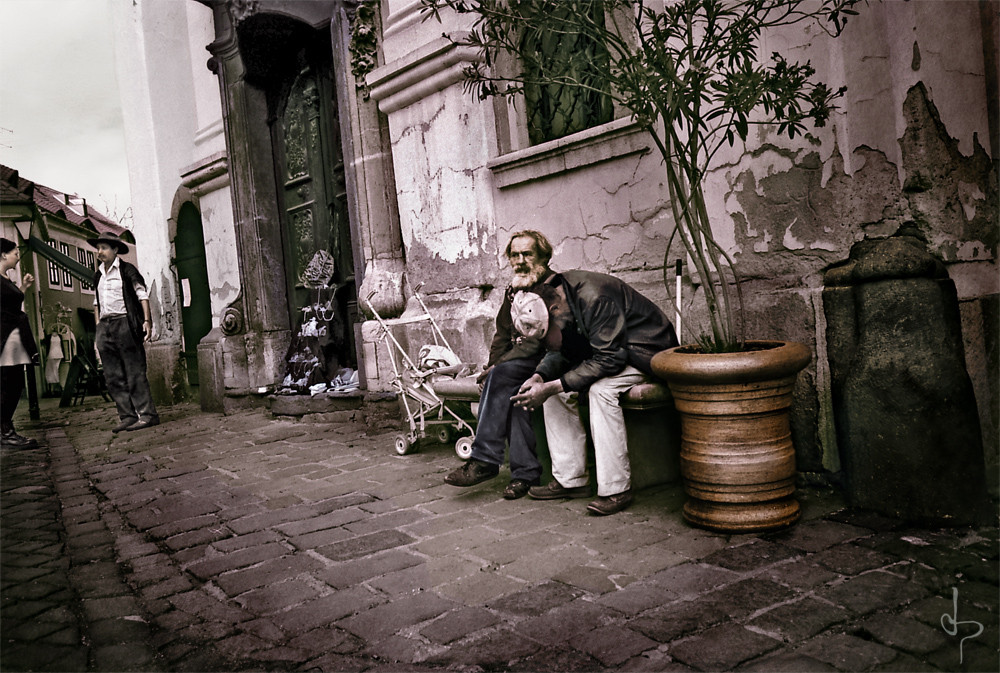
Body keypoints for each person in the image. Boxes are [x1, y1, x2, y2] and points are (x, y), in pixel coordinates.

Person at [511, 270, 678, 515]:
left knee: (601, 391)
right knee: (553, 392)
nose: (546, 342)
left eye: (547, 334)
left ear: (555, 310)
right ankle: (571, 480)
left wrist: (553, 385)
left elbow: (610, 358)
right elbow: (561, 349)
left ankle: (616, 489)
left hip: (646, 352)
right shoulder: (553, 300)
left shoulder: (594, 297)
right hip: (610, 352)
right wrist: (540, 378)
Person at [444, 230, 555, 499]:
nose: (520, 260)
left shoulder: (553, 289)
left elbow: (541, 343)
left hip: (549, 361)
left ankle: (484, 459)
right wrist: (489, 368)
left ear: (542, 256)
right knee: (516, 399)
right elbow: (502, 335)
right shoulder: (514, 290)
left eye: (527, 254)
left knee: (503, 374)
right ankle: (526, 475)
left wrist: (498, 368)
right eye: (515, 255)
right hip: (518, 364)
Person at [89, 232, 160, 433]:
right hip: (105, 326)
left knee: (134, 371)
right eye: (98, 248)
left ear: (115, 250)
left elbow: (142, 295)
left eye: (104, 248)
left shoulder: (127, 270)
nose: (100, 252)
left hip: (125, 324)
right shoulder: (98, 275)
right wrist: (98, 327)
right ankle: (127, 416)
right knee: (112, 376)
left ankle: (147, 415)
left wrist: (147, 321)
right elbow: (96, 302)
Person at [0, 238, 39, 448]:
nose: (17, 256)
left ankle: (5, 428)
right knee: (10, 384)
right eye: (15, 252)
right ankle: (5, 431)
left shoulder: (5, 279)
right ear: (3, 255)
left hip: (12, 338)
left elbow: (11, 304)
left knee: (12, 383)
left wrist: (23, 286)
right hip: (5, 338)